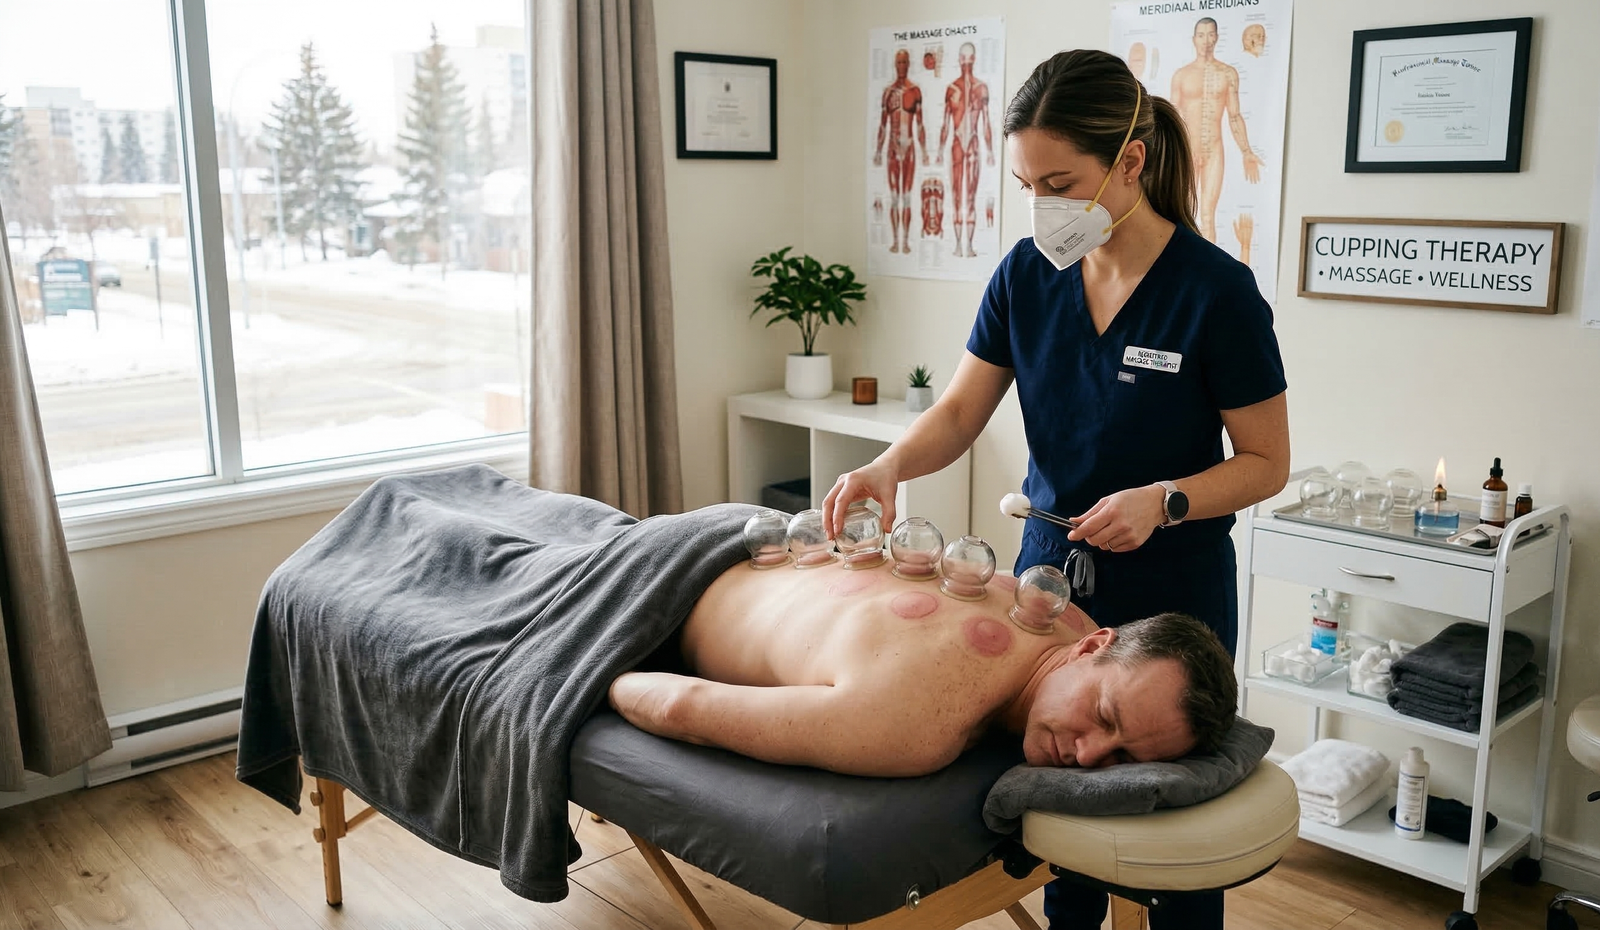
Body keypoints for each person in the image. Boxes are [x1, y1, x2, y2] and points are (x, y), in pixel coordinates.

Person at [822, 49, 1288, 930]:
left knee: (1167, 845)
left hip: (1173, 605)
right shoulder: (1027, 276)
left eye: (1062, 180)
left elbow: (1266, 462)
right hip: (1051, 586)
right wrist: (890, 466)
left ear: (1132, 161)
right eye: (1029, 183)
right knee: (1065, 819)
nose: (1045, 205)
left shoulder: (1215, 294)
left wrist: (1166, 499)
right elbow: (961, 411)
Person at [610, 553, 1237, 778]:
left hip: (767, 550)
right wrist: (595, 682)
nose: (1091, 756)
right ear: (1095, 645)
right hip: (661, 587)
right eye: (1104, 716)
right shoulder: (916, 723)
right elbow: (678, 706)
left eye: (1124, 758)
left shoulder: (1062, 617)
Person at [1170, 17, 1265, 243]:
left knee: (1207, 216)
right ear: (1194, 39)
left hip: (1214, 150)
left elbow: (1234, 116)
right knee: (1181, 214)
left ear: (1217, 38)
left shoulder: (1228, 73)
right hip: (1187, 151)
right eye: (1201, 35)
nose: (1206, 40)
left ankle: (1207, 274)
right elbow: (1172, 118)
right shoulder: (1181, 75)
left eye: (1211, 34)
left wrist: (1246, 151)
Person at [875, 48, 928, 255]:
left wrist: (924, 151)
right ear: (895, 65)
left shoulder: (915, 91)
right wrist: (878, 151)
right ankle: (895, 241)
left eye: (905, 62)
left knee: (905, 196)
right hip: (892, 148)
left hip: (909, 148)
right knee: (894, 197)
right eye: (899, 62)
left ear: (909, 64)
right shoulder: (888, 93)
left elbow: (921, 124)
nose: (902, 66)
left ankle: (904, 241)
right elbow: (882, 125)